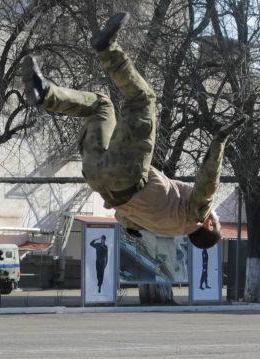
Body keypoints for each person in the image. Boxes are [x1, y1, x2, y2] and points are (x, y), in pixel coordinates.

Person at [22, 12, 246, 250]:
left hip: (126, 175)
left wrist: (220, 141)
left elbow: (208, 182)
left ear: (209, 225)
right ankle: (44, 92)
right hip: (99, 178)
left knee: (143, 98)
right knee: (100, 105)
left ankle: (107, 48)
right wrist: (129, 225)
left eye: (216, 220)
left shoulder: (197, 216)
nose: (215, 216)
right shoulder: (163, 227)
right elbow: (126, 219)